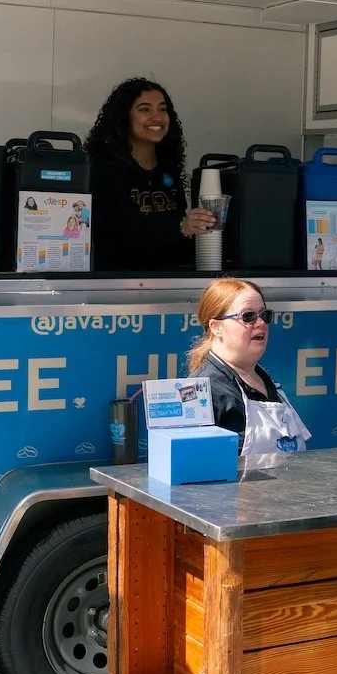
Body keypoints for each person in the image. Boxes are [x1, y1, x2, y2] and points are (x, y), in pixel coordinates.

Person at [84, 78, 214, 272]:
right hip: (118, 284)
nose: (157, 117)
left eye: (162, 109)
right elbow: (121, 231)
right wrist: (182, 226)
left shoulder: (167, 167)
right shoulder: (104, 168)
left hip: (170, 281)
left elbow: (175, 235)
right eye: (145, 109)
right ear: (124, 117)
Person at [187, 277, 311, 464]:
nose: (261, 323)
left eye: (264, 315)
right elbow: (198, 469)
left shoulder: (265, 380)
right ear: (216, 327)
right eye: (248, 317)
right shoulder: (202, 390)